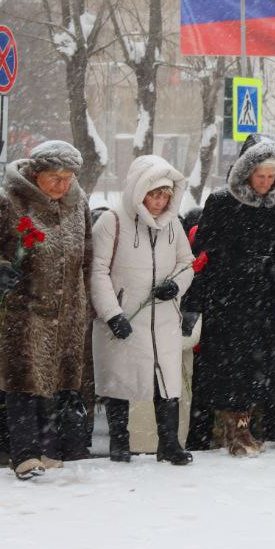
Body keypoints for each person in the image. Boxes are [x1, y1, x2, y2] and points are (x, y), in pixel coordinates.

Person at [0, 140, 92, 479]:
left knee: (56, 381)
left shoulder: (77, 202)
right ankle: (24, 454)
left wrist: (84, 300)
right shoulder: (8, 201)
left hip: (66, 309)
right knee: (24, 382)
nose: (62, 185)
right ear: (36, 174)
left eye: (68, 177)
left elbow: (87, 256)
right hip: (23, 312)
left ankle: (49, 449)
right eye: (55, 177)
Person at [183, 135, 275, 457]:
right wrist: (195, 302)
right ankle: (234, 433)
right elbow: (204, 253)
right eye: (260, 176)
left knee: (255, 369)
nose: (265, 183)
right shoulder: (222, 201)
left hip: (261, 301)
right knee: (230, 369)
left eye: (271, 177)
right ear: (246, 172)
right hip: (229, 298)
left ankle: (244, 430)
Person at [90, 154, 195, 465]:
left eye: (166, 195)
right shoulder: (112, 221)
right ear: (139, 191)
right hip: (124, 315)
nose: (161, 202)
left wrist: (176, 285)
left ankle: (169, 443)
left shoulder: (173, 225)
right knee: (120, 379)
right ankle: (119, 443)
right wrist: (112, 313)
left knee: (167, 379)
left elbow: (186, 263)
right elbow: (97, 270)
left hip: (162, 317)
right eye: (154, 195)